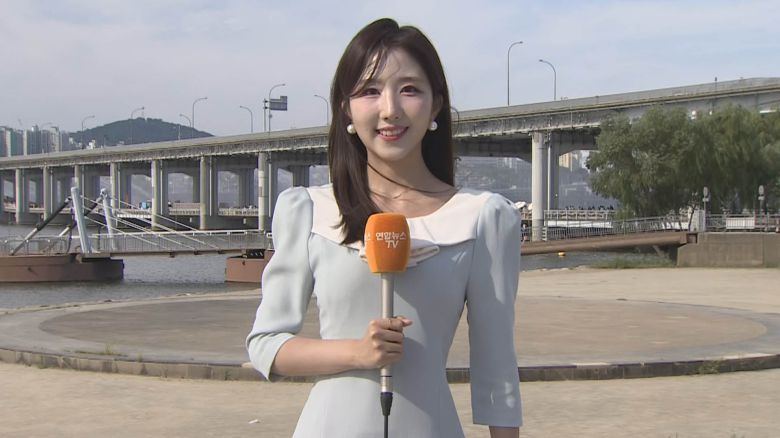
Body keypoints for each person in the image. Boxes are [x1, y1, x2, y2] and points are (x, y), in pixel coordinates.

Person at [247, 18, 522, 437]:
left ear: (436, 105)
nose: (390, 108)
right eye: (370, 91)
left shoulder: (482, 217)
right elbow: (266, 345)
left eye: (409, 89)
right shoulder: (309, 211)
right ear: (346, 108)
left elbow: (496, 369)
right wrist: (358, 353)